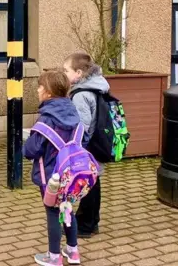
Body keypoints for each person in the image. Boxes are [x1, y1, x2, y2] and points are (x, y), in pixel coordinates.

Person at [24, 70, 82, 266]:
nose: (38, 90)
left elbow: (31, 150)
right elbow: (84, 141)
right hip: (72, 175)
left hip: (50, 177)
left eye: (40, 87)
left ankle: (54, 256)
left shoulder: (46, 119)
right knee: (68, 209)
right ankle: (73, 252)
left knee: (53, 212)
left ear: (48, 93)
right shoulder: (75, 115)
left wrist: (26, 143)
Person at [63, 52, 110, 238]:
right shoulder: (99, 87)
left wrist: (76, 149)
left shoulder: (81, 95)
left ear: (79, 73)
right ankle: (92, 221)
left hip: (87, 146)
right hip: (98, 143)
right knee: (94, 182)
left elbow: (82, 125)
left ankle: (86, 225)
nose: (64, 73)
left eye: (67, 70)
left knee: (88, 186)